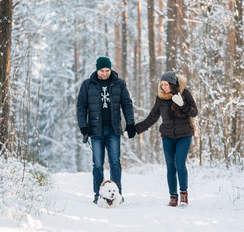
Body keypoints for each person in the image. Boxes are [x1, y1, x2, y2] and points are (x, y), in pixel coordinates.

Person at [77, 57, 136, 204]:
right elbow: (81, 106)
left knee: (115, 162)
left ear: (111, 69)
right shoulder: (87, 84)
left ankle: (117, 195)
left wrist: (130, 124)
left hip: (113, 129)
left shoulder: (119, 83)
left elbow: (127, 104)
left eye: (107, 70)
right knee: (97, 164)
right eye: (102, 71)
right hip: (95, 130)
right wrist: (83, 126)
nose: (104, 74)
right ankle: (99, 194)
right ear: (97, 69)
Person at [135, 71, 198, 207]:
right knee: (170, 166)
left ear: (173, 84)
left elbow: (194, 112)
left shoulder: (184, 93)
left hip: (184, 135)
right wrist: (136, 129)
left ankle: (183, 194)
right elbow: (153, 117)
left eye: (166, 84)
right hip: (167, 136)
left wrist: (182, 104)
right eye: (162, 84)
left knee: (179, 164)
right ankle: (173, 196)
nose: (163, 87)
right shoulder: (161, 98)